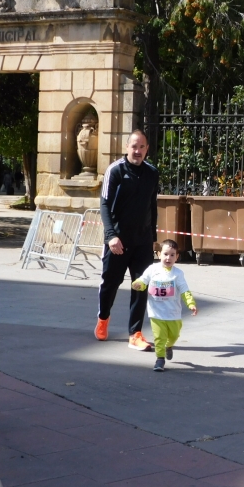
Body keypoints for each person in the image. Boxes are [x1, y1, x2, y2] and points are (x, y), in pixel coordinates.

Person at [95, 130, 159, 351]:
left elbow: (152, 207)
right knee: (110, 284)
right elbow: (104, 204)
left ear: (147, 149)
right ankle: (103, 319)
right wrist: (111, 236)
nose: (138, 151)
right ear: (126, 147)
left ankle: (136, 333)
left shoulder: (152, 173)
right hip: (118, 241)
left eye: (142, 147)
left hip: (142, 241)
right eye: (134, 146)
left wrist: (154, 239)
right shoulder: (115, 170)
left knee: (141, 286)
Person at [131, 239, 197, 372]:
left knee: (174, 336)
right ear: (159, 254)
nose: (168, 258)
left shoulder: (178, 274)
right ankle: (160, 359)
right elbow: (144, 280)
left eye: (172, 255)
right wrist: (138, 284)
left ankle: (169, 346)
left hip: (173, 313)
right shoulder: (152, 269)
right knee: (159, 337)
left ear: (177, 257)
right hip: (156, 313)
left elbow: (184, 290)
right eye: (166, 254)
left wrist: (191, 304)